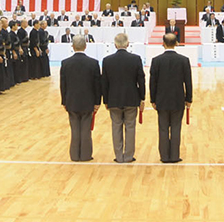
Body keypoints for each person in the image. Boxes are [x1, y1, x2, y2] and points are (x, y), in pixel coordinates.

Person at [101, 34, 145, 163]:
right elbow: (141, 80)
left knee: (116, 127)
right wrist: (142, 98)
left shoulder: (107, 60)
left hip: (113, 99)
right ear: (127, 44)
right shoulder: (135, 59)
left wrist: (106, 100)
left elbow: (104, 82)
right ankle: (129, 156)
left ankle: (119, 156)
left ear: (115, 45)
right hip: (131, 98)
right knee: (130, 127)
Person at [150, 34, 192, 163]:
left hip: (161, 100)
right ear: (177, 43)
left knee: (163, 128)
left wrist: (153, 99)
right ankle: (174, 156)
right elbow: (188, 82)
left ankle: (164, 156)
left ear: (163, 43)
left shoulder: (156, 60)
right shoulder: (184, 60)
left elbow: (153, 82)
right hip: (178, 99)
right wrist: (189, 99)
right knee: (175, 127)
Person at [60, 36, 101, 162]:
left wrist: (64, 101)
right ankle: (85, 155)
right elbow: (97, 85)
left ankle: (74, 155)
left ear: (72, 47)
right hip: (88, 101)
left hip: (71, 101)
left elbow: (63, 84)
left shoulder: (65, 63)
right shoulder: (93, 63)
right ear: (85, 46)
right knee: (86, 129)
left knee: (75, 129)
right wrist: (97, 102)